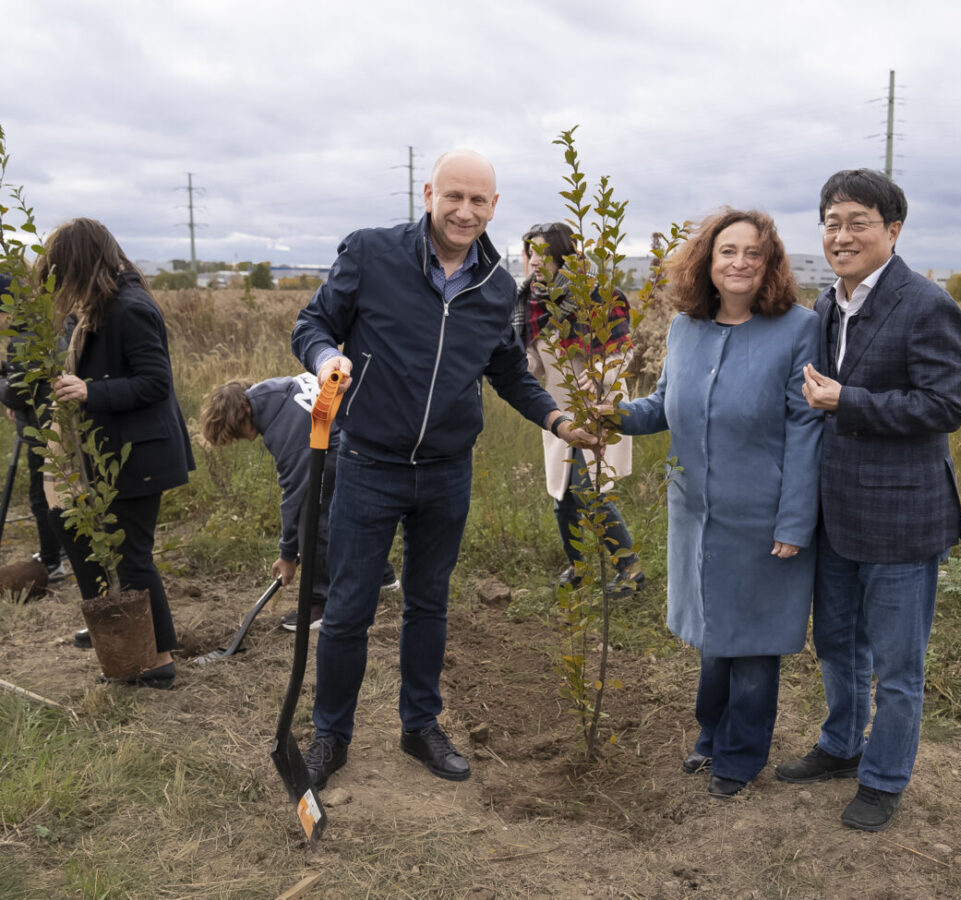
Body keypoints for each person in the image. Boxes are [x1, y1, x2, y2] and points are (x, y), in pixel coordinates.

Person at [291, 148, 593, 789]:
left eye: (478, 201)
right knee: (348, 608)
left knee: (429, 605)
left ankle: (419, 726)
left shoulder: (498, 286)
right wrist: (323, 360)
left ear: (494, 207)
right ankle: (330, 736)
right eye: (453, 196)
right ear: (429, 193)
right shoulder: (372, 253)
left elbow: (509, 372)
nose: (464, 211)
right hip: (370, 462)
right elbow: (314, 323)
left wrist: (559, 422)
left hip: (447, 469)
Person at [775, 169, 961, 832]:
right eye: (831, 221)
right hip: (837, 512)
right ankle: (840, 746)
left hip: (902, 517)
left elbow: (944, 407)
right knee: (834, 642)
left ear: (893, 229)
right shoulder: (830, 304)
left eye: (857, 221)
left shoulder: (926, 304)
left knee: (897, 661)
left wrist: (845, 401)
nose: (841, 234)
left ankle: (885, 778)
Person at [614, 209, 823, 798]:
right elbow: (662, 406)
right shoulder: (686, 327)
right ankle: (710, 733)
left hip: (764, 515)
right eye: (727, 251)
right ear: (708, 261)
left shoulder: (799, 329)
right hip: (696, 513)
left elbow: (807, 430)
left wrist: (795, 520)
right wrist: (610, 413)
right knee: (713, 634)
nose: (739, 263)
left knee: (754, 643)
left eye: (753, 253)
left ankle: (740, 754)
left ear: (770, 263)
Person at [33, 218, 195, 688]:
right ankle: (137, 656)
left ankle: (158, 660)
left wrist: (90, 391)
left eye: (62, 274)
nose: (60, 287)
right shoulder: (96, 310)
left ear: (83, 264)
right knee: (120, 556)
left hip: (139, 456)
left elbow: (156, 383)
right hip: (114, 453)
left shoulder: (129, 307)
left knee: (133, 558)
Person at [200, 374, 399, 631]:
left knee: (312, 517)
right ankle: (382, 576)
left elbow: (294, 496)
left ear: (245, 410)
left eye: (238, 430)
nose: (245, 438)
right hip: (370, 432)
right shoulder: (275, 389)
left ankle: (319, 604)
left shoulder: (286, 433)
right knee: (348, 514)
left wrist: (287, 555)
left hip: (351, 443)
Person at [516, 221, 642, 593]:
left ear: (563, 256)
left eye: (542, 253)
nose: (534, 261)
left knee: (592, 493)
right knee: (563, 498)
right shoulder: (530, 304)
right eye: (530, 253)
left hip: (598, 406)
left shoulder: (600, 297)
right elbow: (536, 366)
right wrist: (512, 362)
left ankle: (631, 571)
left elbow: (624, 351)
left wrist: (599, 373)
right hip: (558, 413)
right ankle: (580, 569)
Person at [0, 273, 69, 583]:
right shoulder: (41, 326)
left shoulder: (25, 339)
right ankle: (56, 552)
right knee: (53, 492)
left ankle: (53, 562)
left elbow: (17, 390)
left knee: (43, 495)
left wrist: (5, 387)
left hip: (43, 428)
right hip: (48, 424)